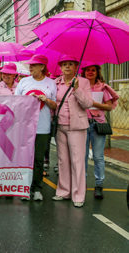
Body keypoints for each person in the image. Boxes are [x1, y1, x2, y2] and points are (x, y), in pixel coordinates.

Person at [52, 55, 93, 208]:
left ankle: (78, 195)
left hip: (76, 127)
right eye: (64, 64)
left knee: (77, 161)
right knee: (63, 161)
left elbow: (88, 103)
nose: (67, 67)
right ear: (60, 67)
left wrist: (77, 90)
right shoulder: (56, 82)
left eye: (70, 64)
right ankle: (63, 191)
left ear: (76, 67)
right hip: (60, 127)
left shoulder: (83, 82)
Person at [15, 54, 57, 201]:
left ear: (42, 67)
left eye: (34, 65)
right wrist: (28, 99)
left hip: (43, 127)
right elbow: (15, 102)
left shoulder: (51, 83)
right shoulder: (23, 82)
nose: (30, 67)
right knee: (25, 158)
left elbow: (55, 105)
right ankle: (25, 188)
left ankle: (37, 188)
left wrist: (46, 100)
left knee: (39, 159)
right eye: (30, 65)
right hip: (25, 126)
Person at [82, 63, 119, 199]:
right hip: (82, 124)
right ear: (84, 72)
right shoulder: (79, 86)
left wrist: (94, 104)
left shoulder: (102, 87)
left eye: (93, 70)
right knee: (82, 156)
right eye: (87, 70)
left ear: (97, 72)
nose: (90, 72)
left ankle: (99, 185)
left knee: (98, 156)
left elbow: (109, 107)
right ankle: (82, 184)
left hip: (98, 125)